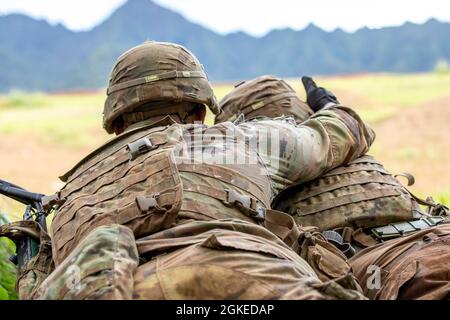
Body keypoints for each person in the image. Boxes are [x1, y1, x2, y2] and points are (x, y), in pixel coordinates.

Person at [7, 41, 374, 300]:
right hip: (236, 272)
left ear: (115, 122)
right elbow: (336, 137)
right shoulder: (235, 141)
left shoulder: (72, 189)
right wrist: (330, 106)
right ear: (200, 111)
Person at [218, 74, 450, 300]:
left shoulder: (247, 160)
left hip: (389, 266)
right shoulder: (343, 140)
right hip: (434, 237)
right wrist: (330, 106)